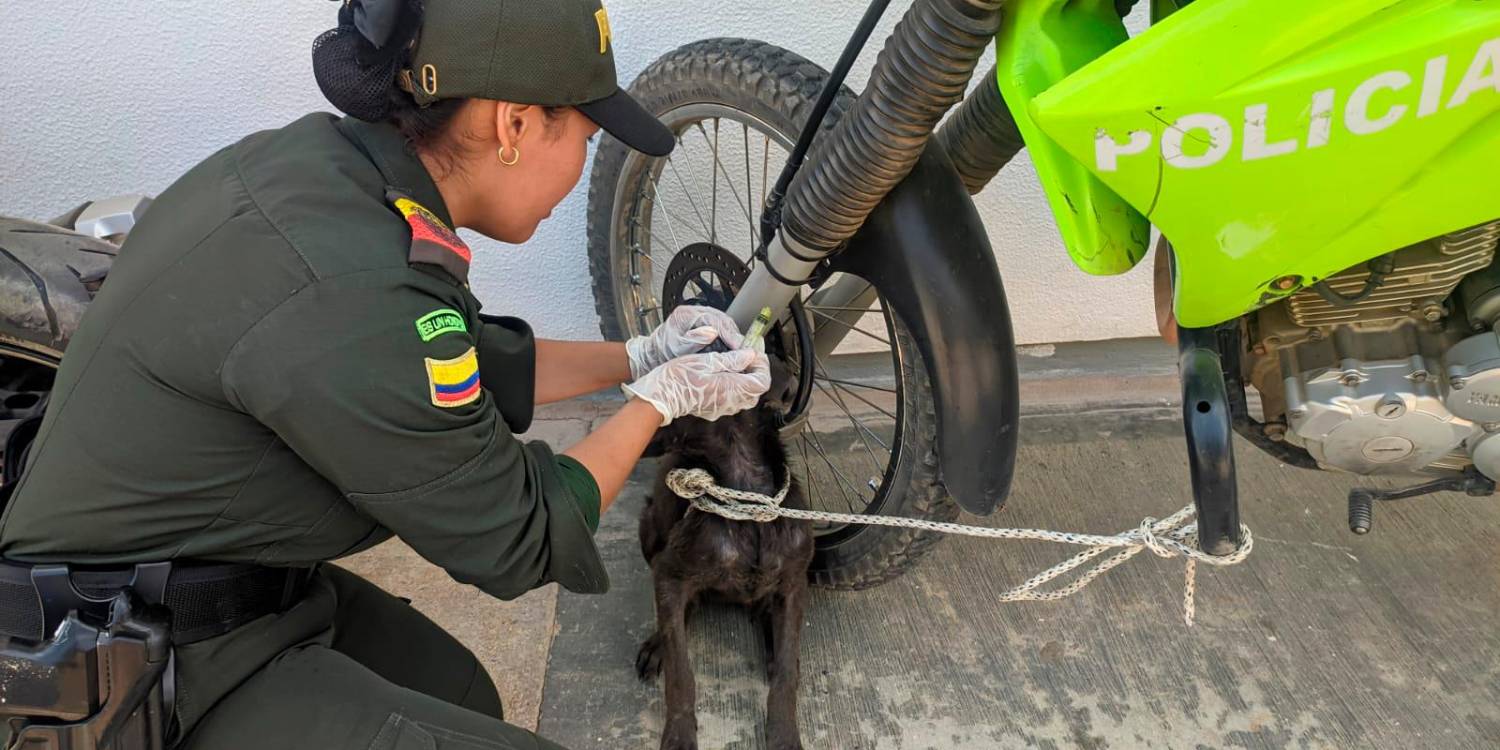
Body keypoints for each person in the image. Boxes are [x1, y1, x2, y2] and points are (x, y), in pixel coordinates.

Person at [0, 0, 770, 748]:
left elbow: (465, 361)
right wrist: (657, 403)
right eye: (584, 132)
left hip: (233, 580)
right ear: (514, 122)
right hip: (142, 660)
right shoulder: (350, 286)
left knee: (460, 690)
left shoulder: (334, 172)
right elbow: (521, 533)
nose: (581, 161)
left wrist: (641, 355)